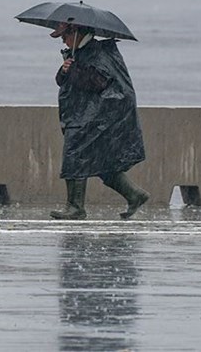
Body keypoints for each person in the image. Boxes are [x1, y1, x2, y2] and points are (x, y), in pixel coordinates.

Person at [48, 22, 149, 220]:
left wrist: (73, 70)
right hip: (81, 115)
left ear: (76, 33)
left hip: (95, 118)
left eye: (64, 36)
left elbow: (98, 82)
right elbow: (62, 81)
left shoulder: (98, 53)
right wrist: (65, 70)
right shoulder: (77, 53)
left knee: (74, 156)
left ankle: (75, 207)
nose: (63, 40)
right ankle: (135, 195)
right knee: (101, 163)